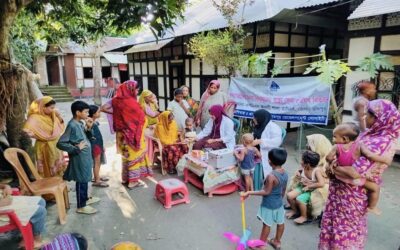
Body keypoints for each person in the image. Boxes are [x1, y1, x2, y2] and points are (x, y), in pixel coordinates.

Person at [319, 99, 400, 249]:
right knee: (332, 229)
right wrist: (332, 164)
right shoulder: (369, 135)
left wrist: (331, 166)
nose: (364, 117)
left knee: (344, 235)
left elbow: (354, 173)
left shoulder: (383, 142)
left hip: (351, 199)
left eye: (369, 114)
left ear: (380, 118)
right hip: (339, 194)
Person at [326, 123, 392, 214]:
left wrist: (331, 162)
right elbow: (370, 155)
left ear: (345, 139)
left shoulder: (336, 147)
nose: (333, 139)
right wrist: (385, 160)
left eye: (334, 136)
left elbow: (328, 158)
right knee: (375, 188)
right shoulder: (360, 145)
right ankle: (372, 207)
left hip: (340, 176)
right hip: (354, 179)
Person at [57, 101, 100, 214]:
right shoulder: (72, 125)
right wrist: (76, 149)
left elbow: (86, 138)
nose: (87, 113)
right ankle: (81, 206)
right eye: (85, 112)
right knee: (81, 179)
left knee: (85, 178)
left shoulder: (80, 123)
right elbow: (61, 143)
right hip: (79, 158)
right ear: (78, 112)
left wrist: (89, 128)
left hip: (85, 158)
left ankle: (85, 199)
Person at [241, 148, 288, 250]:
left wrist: (249, 192)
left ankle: (260, 245)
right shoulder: (285, 173)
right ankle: (277, 241)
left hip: (269, 205)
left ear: (270, 161)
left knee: (266, 224)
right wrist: (280, 199)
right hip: (279, 204)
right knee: (280, 222)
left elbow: (266, 192)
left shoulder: (271, 176)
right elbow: (283, 190)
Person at [112, 80, 153, 189]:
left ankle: (125, 179)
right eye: (136, 89)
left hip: (121, 135)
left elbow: (106, 109)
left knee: (126, 157)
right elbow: (138, 119)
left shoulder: (116, 100)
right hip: (131, 135)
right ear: (130, 89)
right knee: (134, 156)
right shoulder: (131, 103)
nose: (137, 91)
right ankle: (133, 181)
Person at [23, 96, 66, 178]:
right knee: (46, 168)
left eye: (54, 108)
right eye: (51, 108)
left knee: (57, 168)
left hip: (55, 146)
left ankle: (57, 185)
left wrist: (59, 115)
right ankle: (48, 186)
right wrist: (38, 136)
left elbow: (60, 125)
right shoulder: (34, 118)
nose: (53, 110)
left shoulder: (52, 115)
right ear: (42, 107)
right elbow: (26, 131)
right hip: (44, 147)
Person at [0, 184, 47, 249]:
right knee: (40, 211)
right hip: (3, 211)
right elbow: (5, 202)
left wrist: (5, 187)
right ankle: (36, 239)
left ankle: (28, 237)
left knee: (41, 201)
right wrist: (8, 197)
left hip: (7, 200)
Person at [286, 151, 325, 224]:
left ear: (308, 164)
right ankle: (295, 211)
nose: (301, 162)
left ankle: (304, 217)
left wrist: (309, 186)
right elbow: (300, 170)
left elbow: (321, 183)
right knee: (289, 196)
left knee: (300, 199)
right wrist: (298, 172)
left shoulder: (316, 171)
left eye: (302, 160)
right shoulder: (304, 167)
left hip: (311, 190)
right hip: (302, 187)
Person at [251, 109, 283, 190]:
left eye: (255, 117)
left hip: (266, 152)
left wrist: (261, 141)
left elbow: (277, 142)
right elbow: (254, 135)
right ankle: (252, 182)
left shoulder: (274, 127)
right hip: (256, 149)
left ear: (261, 118)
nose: (253, 119)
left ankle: (264, 183)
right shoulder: (259, 125)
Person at [88, 105, 109, 188]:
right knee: (97, 162)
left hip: (98, 144)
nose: (100, 113)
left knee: (98, 162)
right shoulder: (90, 122)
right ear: (93, 114)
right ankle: (97, 180)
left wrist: (102, 145)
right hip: (94, 145)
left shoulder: (94, 121)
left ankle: (97, 177)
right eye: (98, 112)